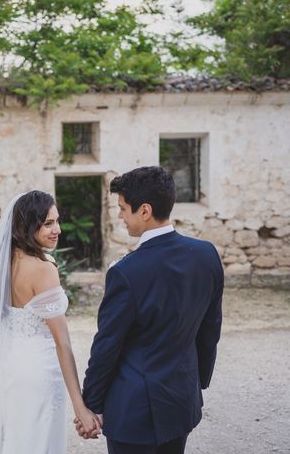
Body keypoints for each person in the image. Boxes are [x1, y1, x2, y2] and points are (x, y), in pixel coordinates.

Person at [75, 166, 224, 454]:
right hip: (181, 400)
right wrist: (197, 381)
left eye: (122, 209)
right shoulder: (207, 255)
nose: (120, 217)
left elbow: (107, 345)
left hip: (132, 411)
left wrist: (90, 405)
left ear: (144, 211)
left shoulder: (126, 273)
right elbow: (210, 328)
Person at [0, 190, 99, 454]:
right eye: (48, 223)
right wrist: (80, 407)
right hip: (38, 372)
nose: (57, 230)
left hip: (8, 367)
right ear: (28, 226)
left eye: (57, 221)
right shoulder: (43, 269)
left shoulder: (4, 263)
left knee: (13, 440)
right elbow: (62, 343)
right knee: (35, 442)